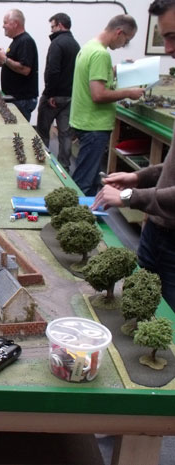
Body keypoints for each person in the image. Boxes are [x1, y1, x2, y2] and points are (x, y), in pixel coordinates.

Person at [92, 0, 175, 311]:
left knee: (164, 323)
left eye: (173, 37)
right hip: (155, 232)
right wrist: (138, 176)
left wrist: (129, 196)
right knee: (137, 309)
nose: (167, 49)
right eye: (164, 38)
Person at [69, 15, 145, 196]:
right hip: (94, 125)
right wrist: (129, 93)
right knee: (84, 182)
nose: (124, 44)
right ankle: (77, 211)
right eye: (126, 40)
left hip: (84, 121)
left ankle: (87, 209)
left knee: (89, 176)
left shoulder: (90, 47)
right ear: (119, 32)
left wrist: (117, 69)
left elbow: (94, 75)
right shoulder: (101, 54)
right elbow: (98, 94)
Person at [36, 13, 80, 173]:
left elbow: (53, 71)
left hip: (54, 96)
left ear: (60, 25)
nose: (51, 30)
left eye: (53, 26)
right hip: (69, 96)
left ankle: (41, 161)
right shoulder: (75, 44)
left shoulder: (57, 43)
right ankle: (64, 167)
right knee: (65, 134)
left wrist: (50, 94)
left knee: (43, 131)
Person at [0, 9, 38, 122]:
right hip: (16, 98)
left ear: (15, 23)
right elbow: (14, 64)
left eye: (5, 23)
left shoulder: (25, 41)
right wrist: (2, 61)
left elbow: (25, 69)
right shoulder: (17, 41)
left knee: (19, 130)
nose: (3, 26)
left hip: (22, 99)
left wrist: (5, 59)